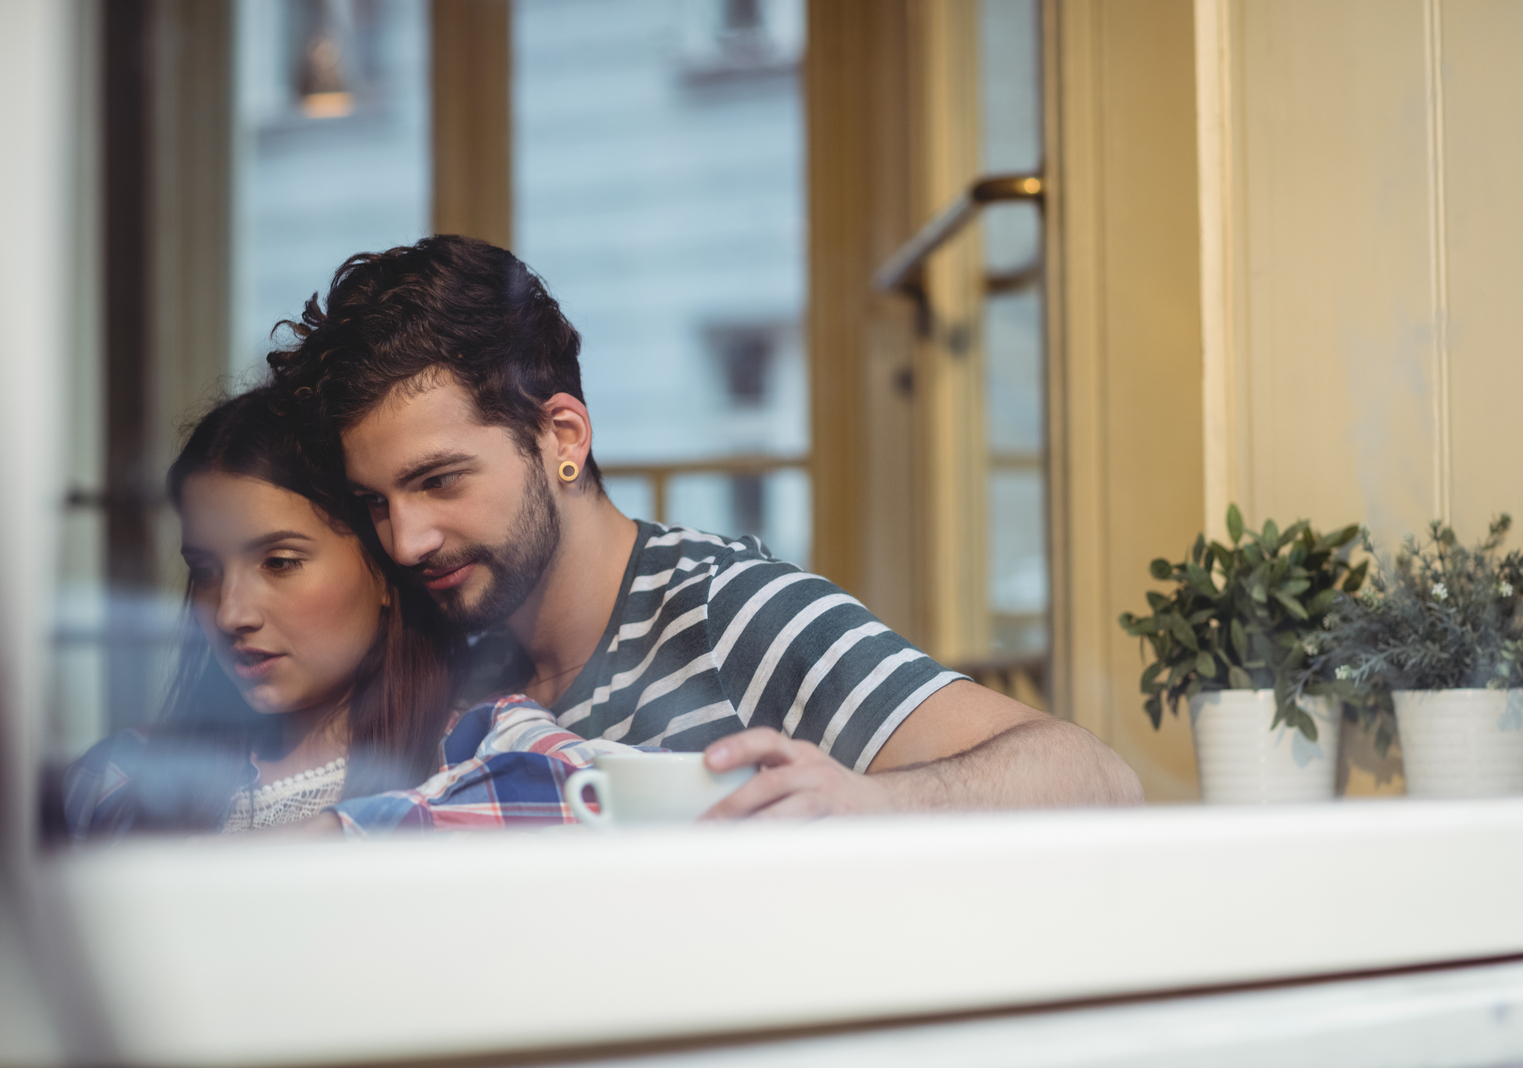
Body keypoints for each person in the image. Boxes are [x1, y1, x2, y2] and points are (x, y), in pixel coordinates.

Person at [269, 236, 1143, 817]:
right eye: (377, 501)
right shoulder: (444, 650)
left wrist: (870, 804)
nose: (406, 538)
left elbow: (1100, 779)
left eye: (439, 481)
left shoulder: (726, 614)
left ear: (561, 437)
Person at [63, 388, 647, 839]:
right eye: (206, 572)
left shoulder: (479, 744)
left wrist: (329, 837)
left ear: (384, 572)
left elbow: (613, 799)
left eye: (281, 562)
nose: (231, 613)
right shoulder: (119, 777)